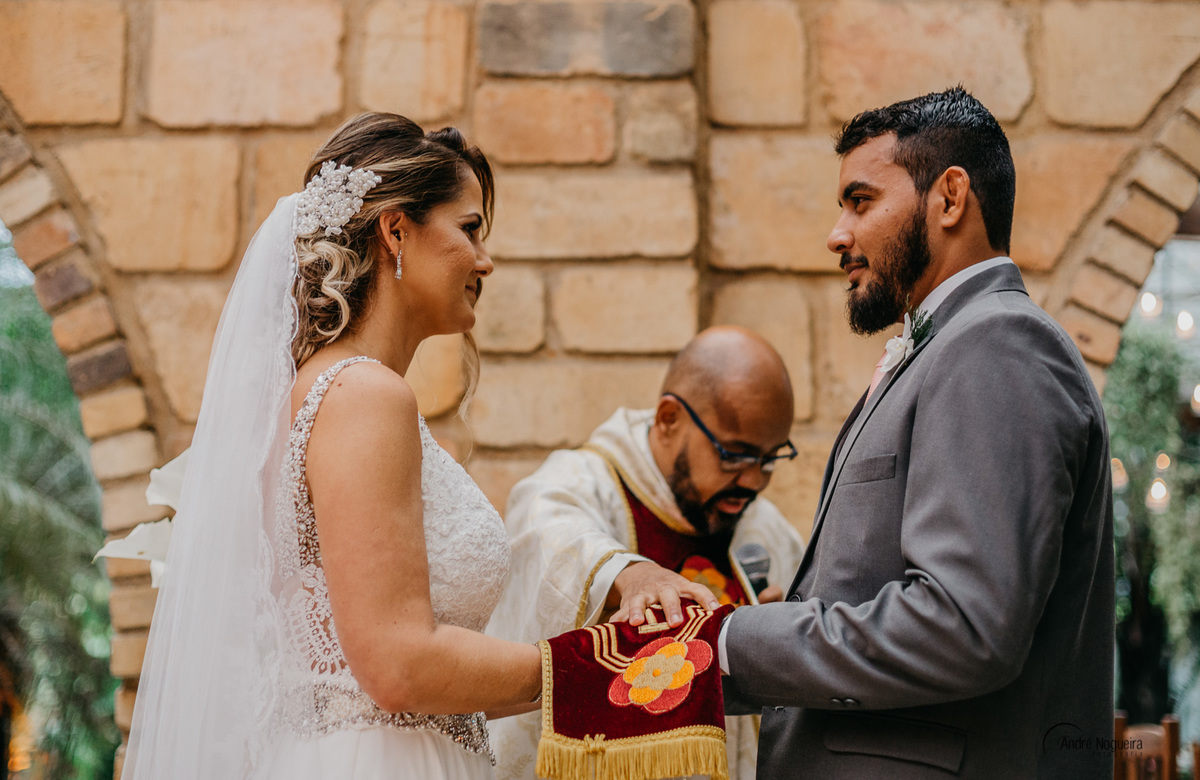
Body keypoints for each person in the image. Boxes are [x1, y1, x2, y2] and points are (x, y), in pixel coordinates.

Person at [122, 113, 545, 780]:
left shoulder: (321, 394)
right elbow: (397, 665)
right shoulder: (364, 396)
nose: (484, 261)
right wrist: (586, 664)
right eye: (469, 230)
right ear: (397, 228)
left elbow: (362, 679)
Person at [718, 87, 1114, 778]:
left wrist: (735, 641)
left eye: (861, 201)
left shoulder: (998, 345)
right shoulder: (952, 346)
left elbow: (963, 626)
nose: (837, 234)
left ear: (950, 197)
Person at [487, 326, 806, 780]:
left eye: (771, 458)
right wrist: (630, 574)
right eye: (735, 455)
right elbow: (546, 529)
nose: (754, 481)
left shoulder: (765, 528)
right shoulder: (587, 483)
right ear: (669, 418)